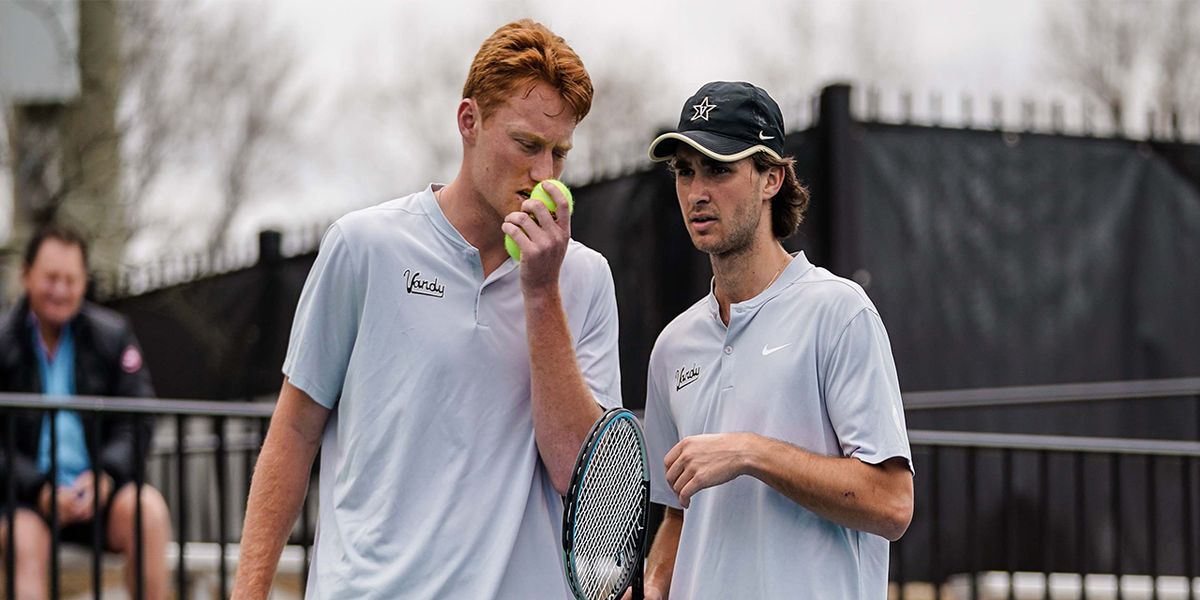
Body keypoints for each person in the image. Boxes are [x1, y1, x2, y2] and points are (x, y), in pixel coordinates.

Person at [231, 19, 621, 599]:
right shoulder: (363, 246)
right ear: (469, 122)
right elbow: (293, 430)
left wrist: (541, 292)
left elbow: (580, 476)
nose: (544, 174)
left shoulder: (584, 277)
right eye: (526, 144)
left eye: (560, 153)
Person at [632, 81, 914, 600]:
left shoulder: (839, 311)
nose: (697, 191)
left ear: (771, 178)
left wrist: (750, 452)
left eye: (718, 168)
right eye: (685, 171)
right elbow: (679, 515)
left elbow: (892, 505)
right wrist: (651, 586)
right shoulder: (672, 347)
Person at [0, 224, 172, 600]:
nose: (60, 290)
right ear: (26, 276)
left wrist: (105, 476)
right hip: (26, 499)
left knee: (150, 512)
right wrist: (38, 488)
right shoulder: (3, 343)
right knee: (22, 542)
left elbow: (137, 417)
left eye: (70, 279)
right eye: (50, 278)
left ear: (84, 282)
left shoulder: (112, 335)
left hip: (98, 493)